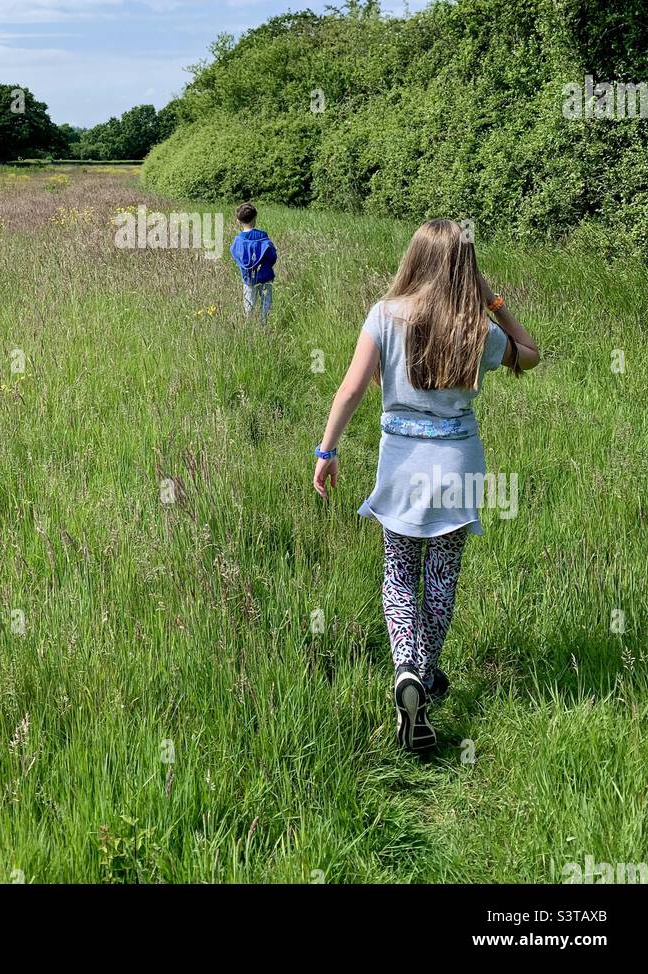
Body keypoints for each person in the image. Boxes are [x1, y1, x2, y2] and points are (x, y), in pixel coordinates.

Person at [312, 219, 539, 752]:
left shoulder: (384, 315)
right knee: (440, 578)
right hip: (458, 464)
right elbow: (530, 354)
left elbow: (350, 390)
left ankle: (406, 670)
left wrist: (327, 450)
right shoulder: (476, 329)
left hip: (401, 465)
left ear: (414, 259)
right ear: (467, 269)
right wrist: (493, 299)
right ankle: (427, 677)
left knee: (398, 573)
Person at [229, 203, 277, 323]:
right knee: (266, 302)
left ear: (238, 220)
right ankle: (263, 324)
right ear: (255, 217)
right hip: (265, 275)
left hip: (248, 277)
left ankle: (249, 325)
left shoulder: (238, 239)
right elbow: (272, 255)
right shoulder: (263, 236)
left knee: (248, 303)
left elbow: (235, 255)